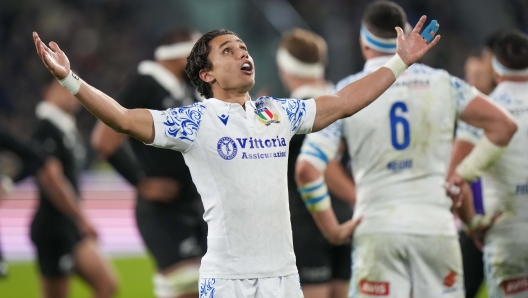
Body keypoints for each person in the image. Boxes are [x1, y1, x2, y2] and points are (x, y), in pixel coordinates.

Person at [32, 15, 439, 296]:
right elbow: (121, 119)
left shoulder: (275, 112)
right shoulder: (194, 121)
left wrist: (400, 61)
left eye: (244, 47)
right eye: (228, 50)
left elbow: (344, 102)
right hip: (228, 281)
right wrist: (70, 79)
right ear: (206, 74)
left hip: (284, 277)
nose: (243, 54)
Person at [295, 1, 517, 297]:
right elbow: (503, 125)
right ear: (409, 39)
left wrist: (333, 229)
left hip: (377, 228)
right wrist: (460, 176)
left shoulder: (347, 93)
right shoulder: (444, 83)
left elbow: (307, 170)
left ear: (364, 44)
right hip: (435, 226)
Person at [91, 27, 206, 298]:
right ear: (180, 55)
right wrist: (140, 181)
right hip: (164, 208)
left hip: (196, 202)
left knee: (205, 286)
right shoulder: (145, 82)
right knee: (187, 287)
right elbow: (104, 139)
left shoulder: (188, 88)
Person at [449, 29, 528, 298]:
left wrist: (472, 223)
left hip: (507, 234)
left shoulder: (486, 113)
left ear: (494, 67)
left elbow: (454, 180)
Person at [276, 28, 354, 298]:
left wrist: (357, 195)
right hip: (348, 218)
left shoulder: (297, 112)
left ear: (285, 68)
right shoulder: (343, 103)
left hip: (309, 222)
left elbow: (320, 166)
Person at [29, 79, 117, 298]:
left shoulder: (66, 128)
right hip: (53, 227)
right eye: (62, 88)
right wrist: (81, 217)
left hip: (68, 224)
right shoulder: (46, 128)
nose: (70, 94)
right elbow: (51, 179)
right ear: (46, 92)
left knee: (107, 284)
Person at [0, 127, 95, 279]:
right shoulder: (45, 127)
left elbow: (37, 160)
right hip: (52, 225)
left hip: (61, 224)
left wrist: (8, 182)